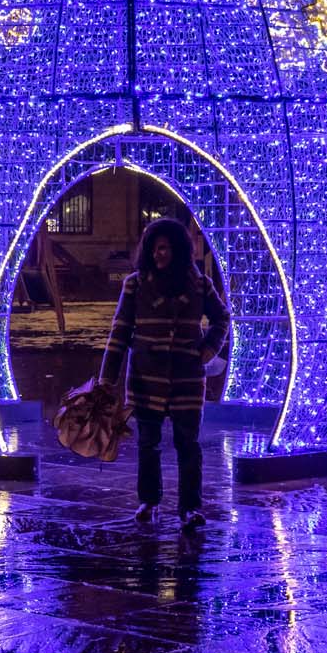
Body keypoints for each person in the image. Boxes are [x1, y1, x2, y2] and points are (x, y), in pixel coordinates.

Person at [100, 217, 229, 531]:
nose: (160, 254)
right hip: (146, 379)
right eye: (156, 248)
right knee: (148, 444)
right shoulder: (135, 284)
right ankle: (149, 500)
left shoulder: (199, 285)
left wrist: (208, 350)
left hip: (186, 380)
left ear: (179, 250)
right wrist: (107, 379)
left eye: (166, 248)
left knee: (188, 445)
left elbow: (221, 318)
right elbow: (119, 332)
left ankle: (190, 507)